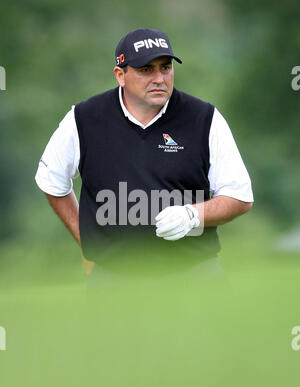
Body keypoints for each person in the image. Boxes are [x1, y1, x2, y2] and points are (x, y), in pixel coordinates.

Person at [35, 28, 253, 277]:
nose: (159, 78)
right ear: (121, 75)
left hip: (194, 272)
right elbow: (51, 181)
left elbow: (240, 196)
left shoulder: (204, 118)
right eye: (146, 70)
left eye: (166, 67)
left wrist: (193, 215)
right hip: (114, 278)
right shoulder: (84, 118)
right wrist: (87, 242)